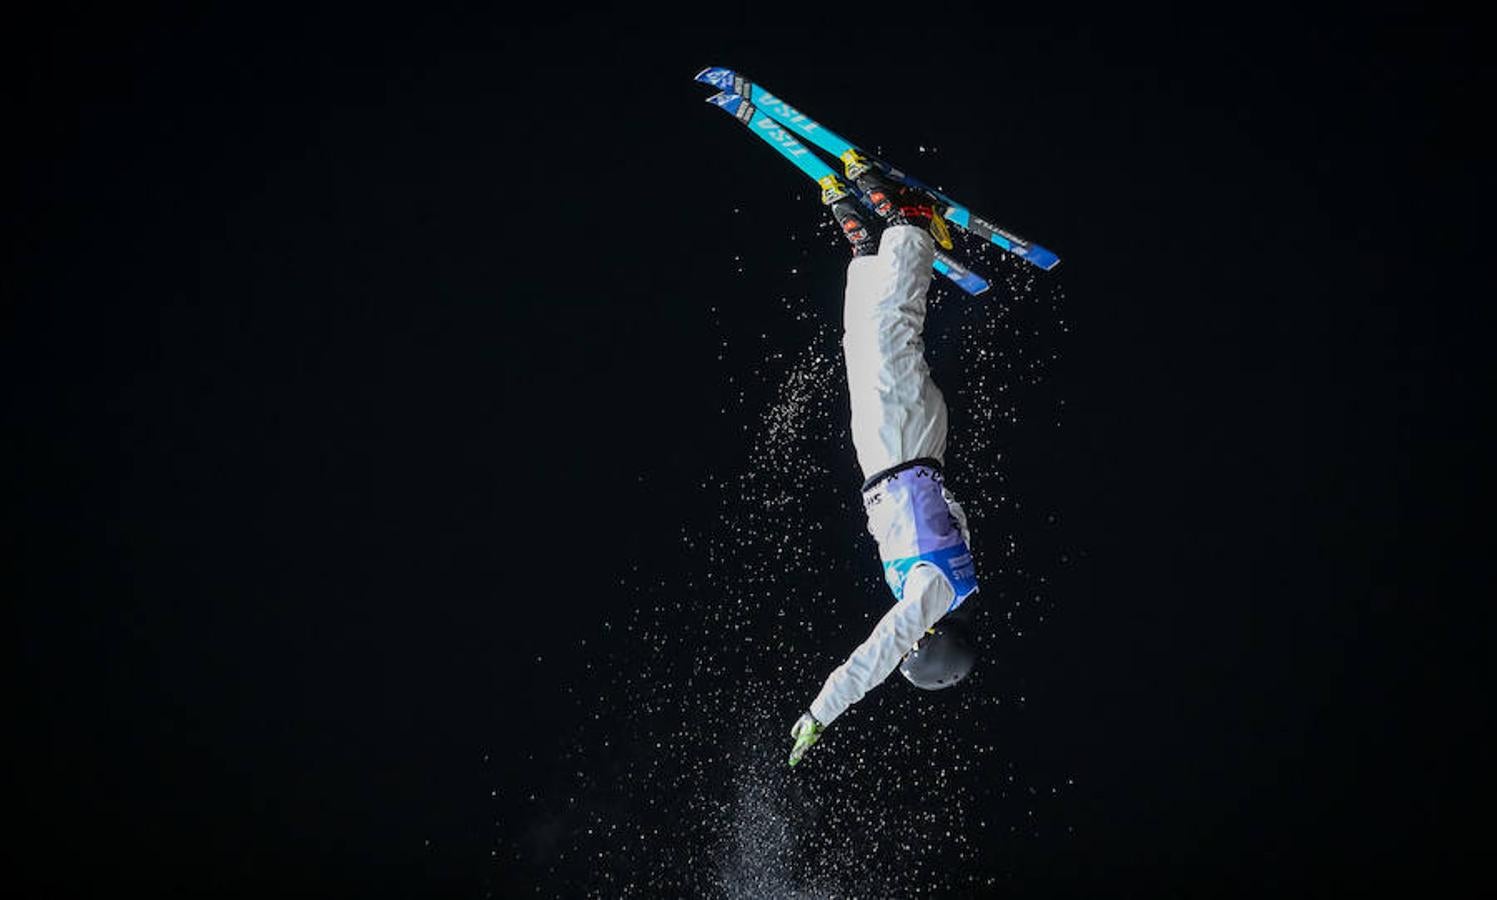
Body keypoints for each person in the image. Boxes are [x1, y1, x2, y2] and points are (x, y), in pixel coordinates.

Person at [788, 171, 982, 767]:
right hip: (903, 448)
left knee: (862, 345)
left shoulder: (945, 582)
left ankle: (865, 247)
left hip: (889, 457)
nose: (907, 641)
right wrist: (822, 710)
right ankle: (910, 222)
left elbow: (954, 513)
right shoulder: (936, 594)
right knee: (894, 334)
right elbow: (877, 651)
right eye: (913, 646)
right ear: (931, 644)